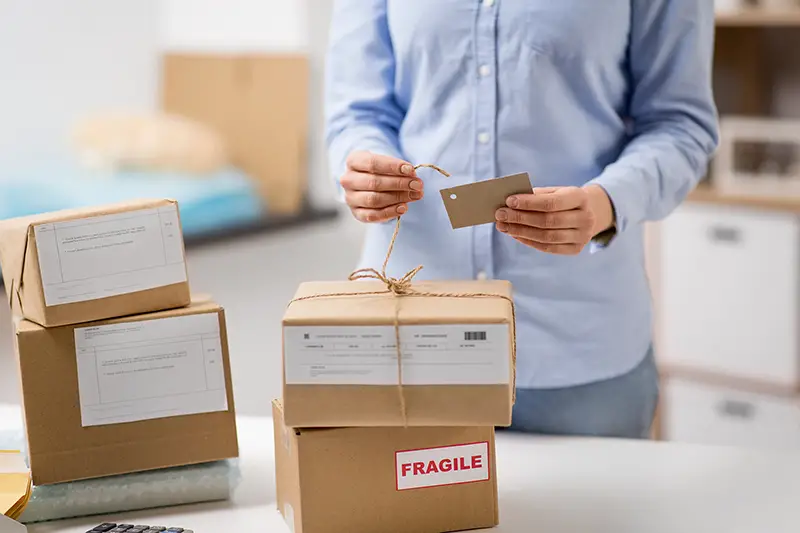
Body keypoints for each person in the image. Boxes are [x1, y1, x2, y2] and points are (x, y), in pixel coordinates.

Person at [324, 0, 719, 438]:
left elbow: (681, 124)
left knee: (598, 509)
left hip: (579, 355)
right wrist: (360, 166)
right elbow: (356, 114)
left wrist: (607, 202)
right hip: (409, 339)